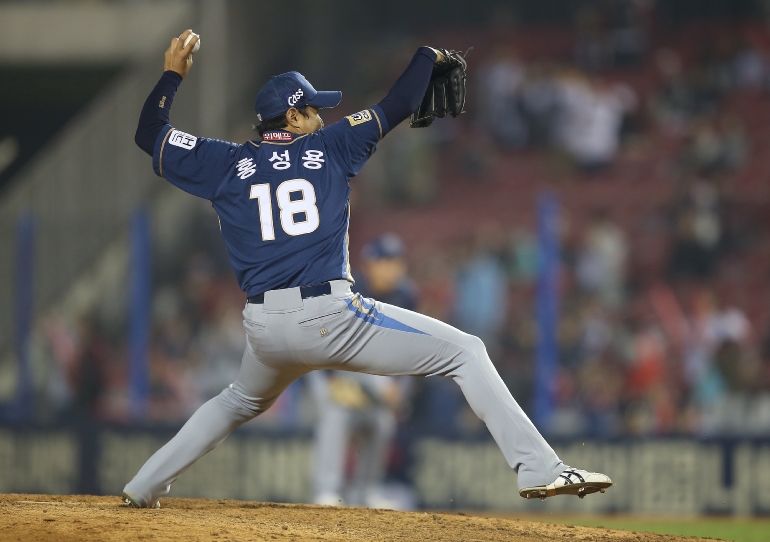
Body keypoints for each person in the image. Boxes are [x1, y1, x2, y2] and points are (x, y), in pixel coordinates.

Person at [122, 29, 611, 508]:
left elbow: (150, 134)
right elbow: (398, 102)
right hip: (329, 315)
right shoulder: (331, 147)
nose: (320, 116)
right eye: (312, 109)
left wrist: (171, 76)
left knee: (235, 402)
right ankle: (541, 470)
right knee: (467, 353)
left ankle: (144, 485)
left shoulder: (225, 162)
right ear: (292, 115)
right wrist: (429, 56)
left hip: (264, 328)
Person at [309, 234, 415, 508]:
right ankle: (326, 491)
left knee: (382, 423)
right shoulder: (347, 291)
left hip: (372, 373)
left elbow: (410, 348)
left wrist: (399, 387)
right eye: (383, 261)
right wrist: (330, 381)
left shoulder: (406, 296)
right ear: (368, 264)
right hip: (333, 367)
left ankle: (365, 492)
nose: (390, 268)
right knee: (335, 415)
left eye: (394, 262)